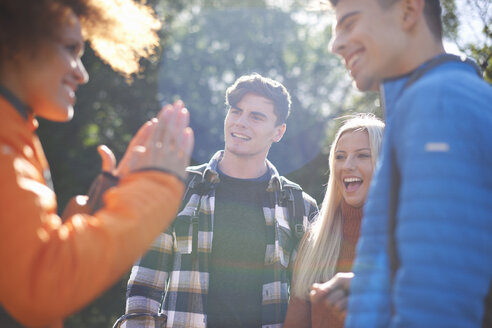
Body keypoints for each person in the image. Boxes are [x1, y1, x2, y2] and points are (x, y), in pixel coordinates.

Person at [0, 1, 194, 327]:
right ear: (17, 39)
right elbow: (43, 286)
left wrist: (98, 215)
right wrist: (153, 187)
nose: (82, 72)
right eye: (70, 49)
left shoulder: (17, 134)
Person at [311, 0, 492, 327]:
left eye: (349, 23)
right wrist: (373, 287)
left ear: (408, 11)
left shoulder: (437, 103)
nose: (335, 44)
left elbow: (437, 306)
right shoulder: (440, 98)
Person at [121, 73, 319, 328]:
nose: (241, 122)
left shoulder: (300, 207)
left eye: (256, 117)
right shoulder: (178, 189)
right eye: (236, 112)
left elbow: (305, 302)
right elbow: (144, 287)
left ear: (278, 132)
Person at [283, 114, 384, 328]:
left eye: (362, 155)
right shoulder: (315, 240)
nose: (347, 165)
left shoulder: (407, 239)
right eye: (340, 156)